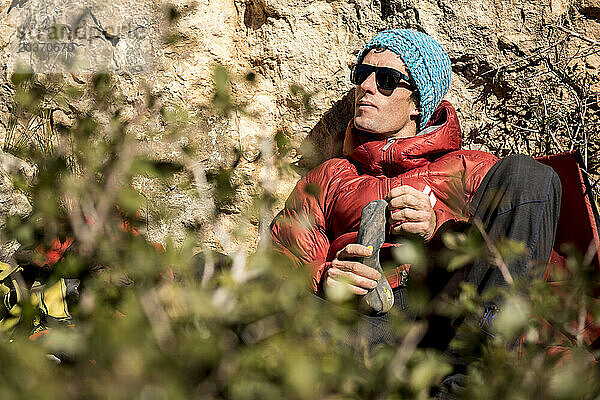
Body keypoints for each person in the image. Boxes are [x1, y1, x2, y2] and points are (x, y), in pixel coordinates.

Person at [269, 29, 561, 349]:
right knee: (213, 273)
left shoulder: (474, 169)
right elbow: (281, 263)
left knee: (529, 173)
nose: (366, 87)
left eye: (387, 80)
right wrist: (325, 277)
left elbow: (532, 254)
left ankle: (482, 352)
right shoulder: (328, 176)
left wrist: (439, 230)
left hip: (449, 318)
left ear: (418, 104)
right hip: (359, 329)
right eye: (363, 74)